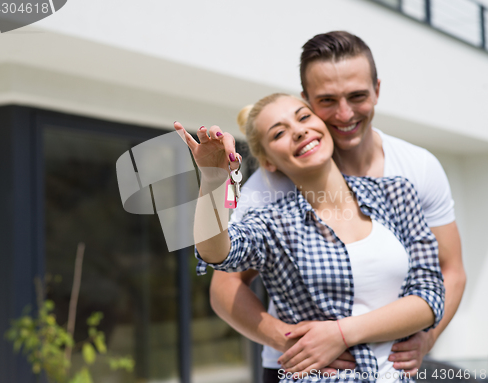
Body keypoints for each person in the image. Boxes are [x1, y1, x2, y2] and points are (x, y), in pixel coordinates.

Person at [209, 31, 466, 382]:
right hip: (301, 367)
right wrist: (297, 343)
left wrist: (426, 338)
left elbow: (449, 271)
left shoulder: (414, 171)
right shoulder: (270, 188)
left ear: (377, 89)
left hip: (391, 366)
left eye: (357, 96)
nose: (345, 114)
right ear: (308, 99)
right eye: (327, 100)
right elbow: (224, 283)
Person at [173, 92, 444, 382]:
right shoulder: (275, 223)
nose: (299, 131)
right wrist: (213, 180)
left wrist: (341, 334)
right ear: (268, 162)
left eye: (303, 117)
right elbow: (219, 253)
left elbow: (430, 294)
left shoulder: (396, 194)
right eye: (279, 133)